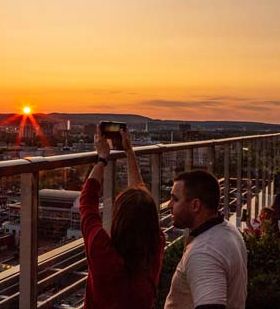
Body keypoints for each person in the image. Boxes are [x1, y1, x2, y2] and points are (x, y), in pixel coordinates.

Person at [79, 126, 164, 309]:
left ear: (118, 218)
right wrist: (128, 150)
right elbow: (138, 192)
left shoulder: (104, 254)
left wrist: (102, 158)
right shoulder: (153, 252)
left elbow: (87, 201)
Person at [165, 170, 247, 309]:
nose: (169, 205)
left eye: (176, 199)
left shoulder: (204, 253)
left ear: (195, 205)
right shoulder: (227, 230)